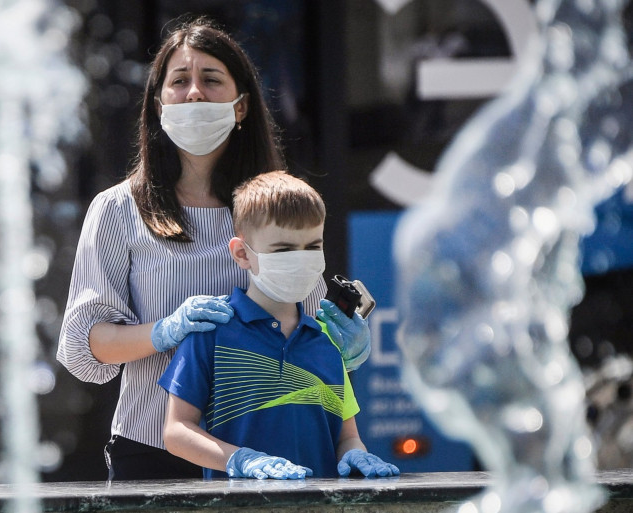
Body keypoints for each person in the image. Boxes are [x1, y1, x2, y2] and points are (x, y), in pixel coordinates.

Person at [57, 16, 370, 481]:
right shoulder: (118, 208)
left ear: (241, 106)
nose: (195, 93)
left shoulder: (275, 204)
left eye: (211, 79)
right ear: (158, 105)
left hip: (270, 453)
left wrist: (346, 344)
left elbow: (305, 327)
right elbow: (85, 348)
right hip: (154, 450)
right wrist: (164, 330)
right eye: (179, 81)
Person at [158, 171, 400, 479]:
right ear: (242, 253)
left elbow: (346, 435)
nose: (301, 258)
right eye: (284, 249)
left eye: (313, 246)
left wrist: (355, 454)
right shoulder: (211, 331)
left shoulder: (328, 341)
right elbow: (177, 432)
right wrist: (241, 460)